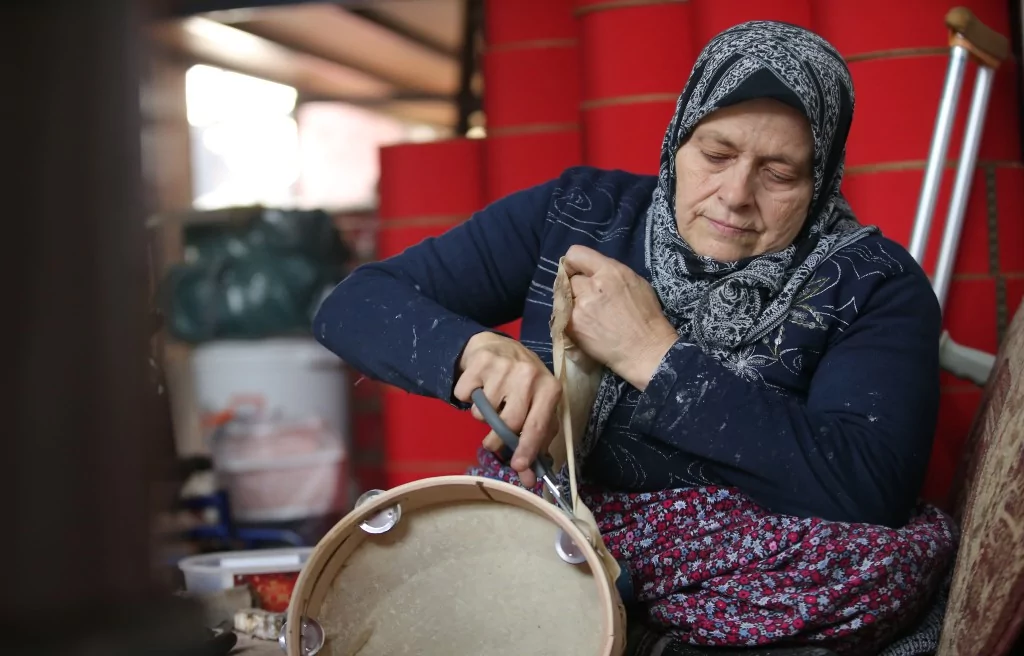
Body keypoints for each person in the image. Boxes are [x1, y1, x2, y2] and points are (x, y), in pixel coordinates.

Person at [314, 20, 957, 656]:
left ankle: (636, 632)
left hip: (737, 575)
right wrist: (471, 349)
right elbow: (354, 305)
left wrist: (655, 356)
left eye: (780, 174)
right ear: (679, 138)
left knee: (883, 566)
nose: (736, 195)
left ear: (821, 181)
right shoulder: (581, 213)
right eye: (716, 155)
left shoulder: (870, 282)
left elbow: (867, 487)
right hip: (557, 531)